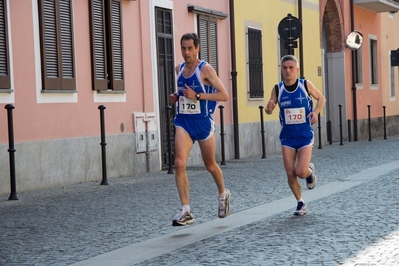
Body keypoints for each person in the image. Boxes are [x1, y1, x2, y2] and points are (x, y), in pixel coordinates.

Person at [168, 33, 231, 226]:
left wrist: (198, 95)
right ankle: (186, 210)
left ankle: (223, 194)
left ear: (197, 49)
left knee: (210, 165)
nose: (186, 52)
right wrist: (176, 97)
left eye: (190, 48)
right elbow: (182, 94)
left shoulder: (205, 69)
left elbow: (224, 95)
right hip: (184, 122)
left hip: (203, 123)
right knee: (179, 163)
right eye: (183, 48)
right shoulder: (179, 69)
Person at [265, 55, 326, 216]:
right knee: (290, 172)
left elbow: (321, 98)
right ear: (281, 70)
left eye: (291, 68)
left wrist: (315, 113)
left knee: (300, 171)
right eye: (285, 68)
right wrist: (269, 107)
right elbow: (269, 108)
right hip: (287, 136)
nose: (288, 71)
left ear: (297, 70)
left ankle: (309, 172)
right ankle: (300, 202)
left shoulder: (305, 85)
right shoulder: (278, 89)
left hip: (305, 135)